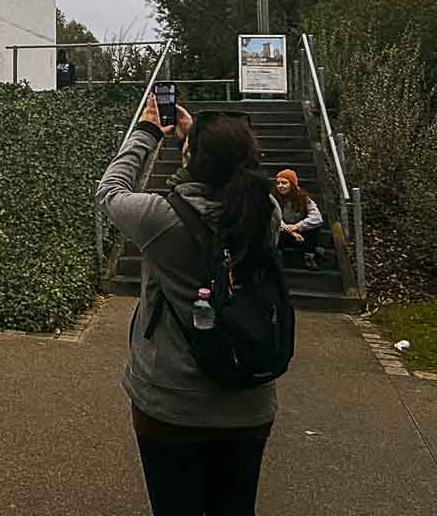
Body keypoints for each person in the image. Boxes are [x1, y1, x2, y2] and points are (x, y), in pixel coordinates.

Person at [97, 97, 282, 516]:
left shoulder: (160, 218)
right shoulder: (265, 212)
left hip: (170, 404)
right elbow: (241, 175)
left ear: (193, 160)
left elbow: (109, 192)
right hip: (249, 401)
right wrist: (201, 143)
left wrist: (146, 133)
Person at [273, 168, 324, 268]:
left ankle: (309, 257)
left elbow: (317, 217)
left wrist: (297, 226)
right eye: (278, 183)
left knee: (314, 228)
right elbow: (273, 218)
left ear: (292, 184)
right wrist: (291, 231)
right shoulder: (273, 197)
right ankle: (277, 258)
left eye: (284, 183)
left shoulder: (303, 197)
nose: (280, 186)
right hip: (282, 232)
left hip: (300, 232)